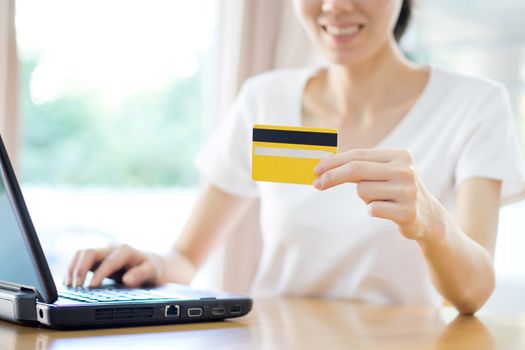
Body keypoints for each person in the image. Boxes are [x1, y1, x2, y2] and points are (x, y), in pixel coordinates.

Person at [66, 0, 525, 314]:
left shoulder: (472, 104)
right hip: (278, 337)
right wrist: (150, 265)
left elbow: (473, 293)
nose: (334, 6)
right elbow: (186, 256)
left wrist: (431, 223)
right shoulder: (269, 100)